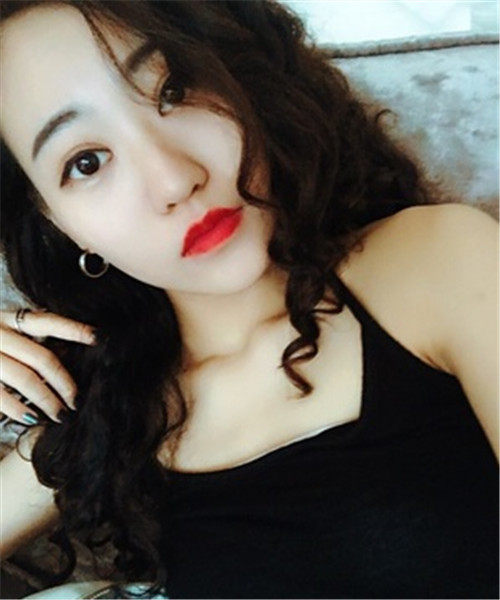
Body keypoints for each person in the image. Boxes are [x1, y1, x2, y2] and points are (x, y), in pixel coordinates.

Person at [0, 1, 498, 598]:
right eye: (86, 163)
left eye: (173, 91)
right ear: (55, 223)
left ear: (238, 79)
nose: (174, 179)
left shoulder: (436, 260)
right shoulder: (106, 421)